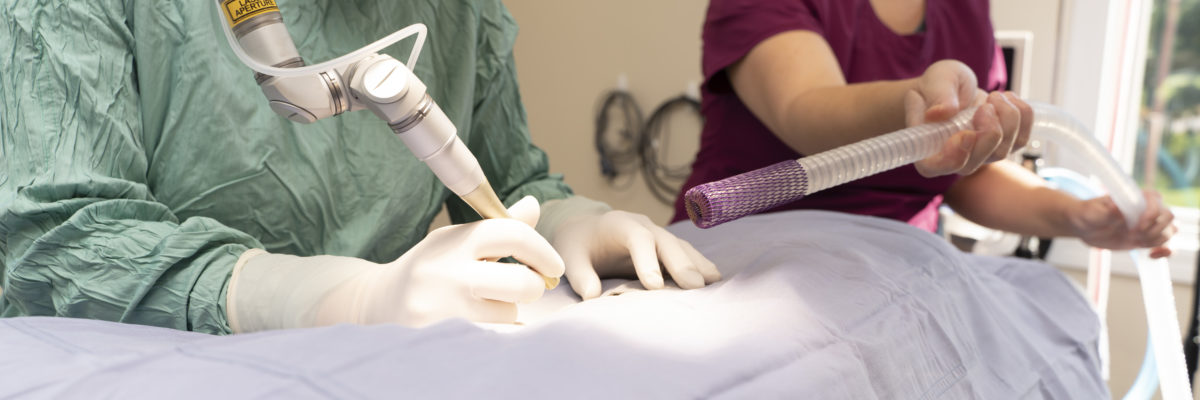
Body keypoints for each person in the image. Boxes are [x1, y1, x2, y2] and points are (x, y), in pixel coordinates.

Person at [0, 0, 718, 335]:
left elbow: (504, 185)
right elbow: (63, 244)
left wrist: (570, 221)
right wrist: (337, 300)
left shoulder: (456, 12)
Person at [673, 0, 1176, 257]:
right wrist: (919, 101)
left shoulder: (963, 9)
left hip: (896, 271)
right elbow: (809, 113)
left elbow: (965, 172)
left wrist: (1080, 217)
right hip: (752, 254)